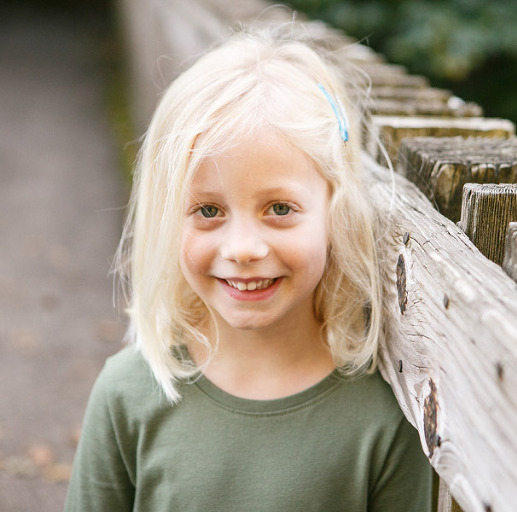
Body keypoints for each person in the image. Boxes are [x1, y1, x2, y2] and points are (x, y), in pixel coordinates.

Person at [65, 24, 432, 512]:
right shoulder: (127, 395)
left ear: (337, 212)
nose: (242, 249)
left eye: (279, 209)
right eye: (208, 210)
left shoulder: (385, 417)